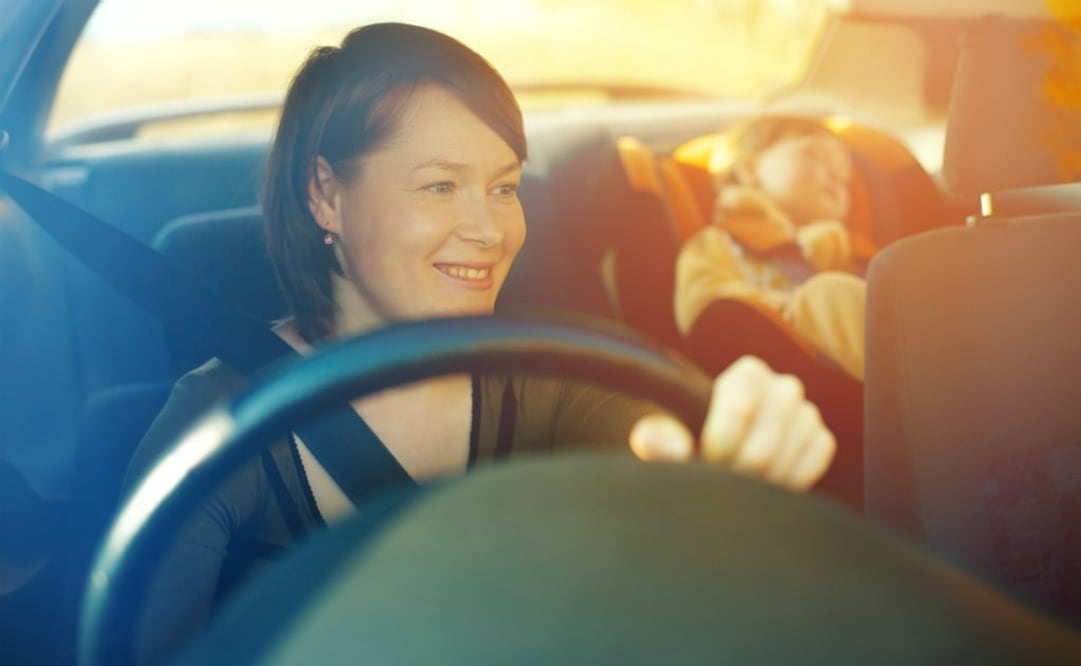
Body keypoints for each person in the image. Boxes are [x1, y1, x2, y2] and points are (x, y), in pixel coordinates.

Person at [124, 24, 837, 664]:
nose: (490, 230)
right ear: (324, 195)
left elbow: (652, 450)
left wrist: (729, 455)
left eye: (503, 188)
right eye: (440, 187)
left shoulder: (547, 376)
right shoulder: (217, 428)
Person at [673, 115, 867, 380]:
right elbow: (707, 307)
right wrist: (794, 311)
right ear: (751, 170)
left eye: (844, 177)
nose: (835, 174)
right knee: (829, 293)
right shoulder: (720, 243)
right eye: (816, 156)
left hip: (859, 374)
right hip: (780, 363)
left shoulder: (851, 252)